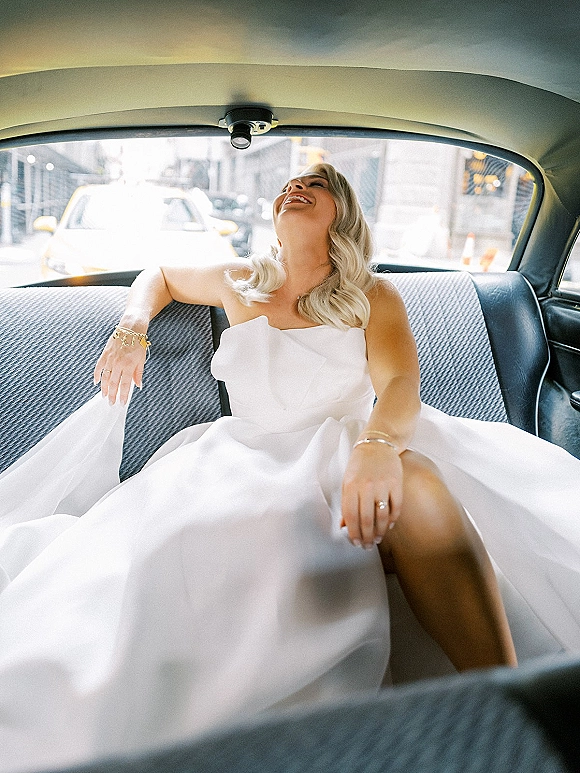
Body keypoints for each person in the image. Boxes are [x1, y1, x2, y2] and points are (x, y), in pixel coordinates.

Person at [0, 163, 578, 773]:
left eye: (318, 184)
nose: (295, 188)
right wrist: (132, 326)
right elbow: (161, 275)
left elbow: (400, 383)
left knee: (423, 486)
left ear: (343, 214)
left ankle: (509, 712)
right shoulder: (240, 281)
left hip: (359, 442)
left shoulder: (374, 297)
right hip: (249, 456)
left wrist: (378, 445)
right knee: (201, 538)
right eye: (289, 185)